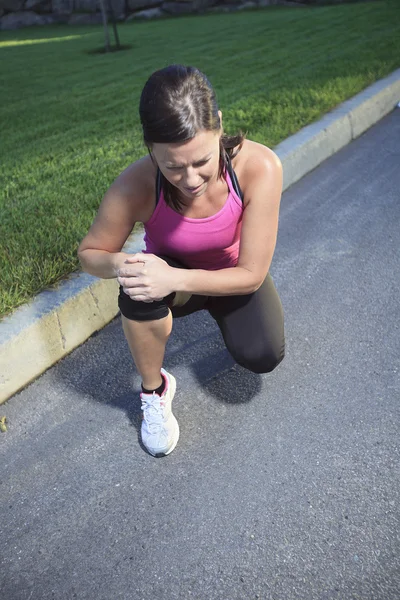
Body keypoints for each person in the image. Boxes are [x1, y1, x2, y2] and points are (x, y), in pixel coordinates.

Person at [78, 64, 285, 458]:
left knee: (262, 355)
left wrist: (175, 277)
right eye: (173, 166)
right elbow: (90, 254)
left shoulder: (260, 167)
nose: (190, 179)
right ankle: (155, 389)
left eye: (202, 161)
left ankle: (223, 318)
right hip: (170, 278)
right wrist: (124, 265)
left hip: (232, 275)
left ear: (219, 127)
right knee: (137, 288)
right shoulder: (134, 185)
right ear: (150, 148)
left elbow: (252, 274)